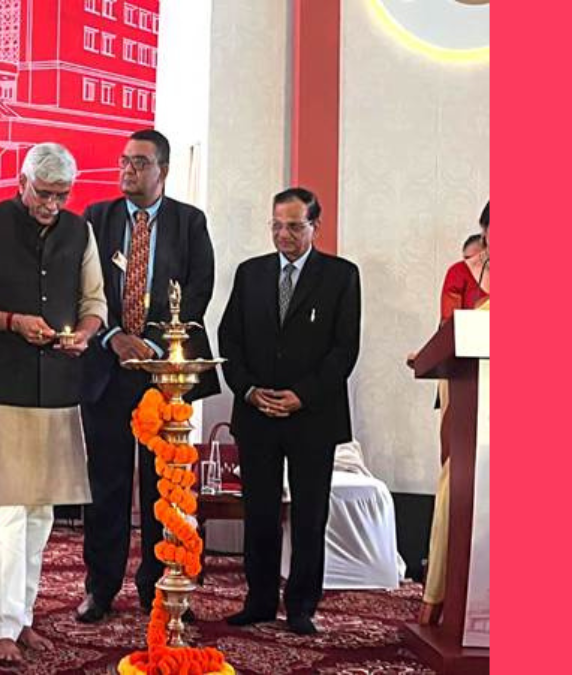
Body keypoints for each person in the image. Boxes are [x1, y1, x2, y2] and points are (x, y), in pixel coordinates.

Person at [0, 143, 107, 666]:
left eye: (62, 195)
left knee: (40, 513)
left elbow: (94, 302)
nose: (53, 204)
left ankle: (24, 617)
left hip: (58, 389)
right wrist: (12, 322)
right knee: (8, 511)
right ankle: (0, 626)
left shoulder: (80, 231)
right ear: (22, 182)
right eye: (44, 193)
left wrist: (83, 333)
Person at [75, 129, 219, 623]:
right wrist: (114, 336)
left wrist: (157, 347)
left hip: (165, 375)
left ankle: (160, 587)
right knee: (107, 483)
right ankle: (100, 587)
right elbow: (84, 285)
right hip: (108, 369)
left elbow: (200, 290)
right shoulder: (97, 218)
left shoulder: (188, 222)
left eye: (139, 162)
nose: (127, 170)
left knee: (165, 484)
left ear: (163, 170)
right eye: (123, 161)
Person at [217, 187, 361, 635]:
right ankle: (259, 600)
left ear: (316, 226)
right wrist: (247, 390)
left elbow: (344, 350)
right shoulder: (251, 273)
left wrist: (303, 394)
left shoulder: (341, 275)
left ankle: (301, 605)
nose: (285, 235)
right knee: (259, 511)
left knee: (309, 513)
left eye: (295, 227)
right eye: (277, 226)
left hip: (312, 416)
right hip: (257, 413)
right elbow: (230, 340)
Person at [419, 201, 490, 625]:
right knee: (461, 480)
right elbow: (452, 334)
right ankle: (448, 594)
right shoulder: (461, 274)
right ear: (484, 230)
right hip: (470, 390)